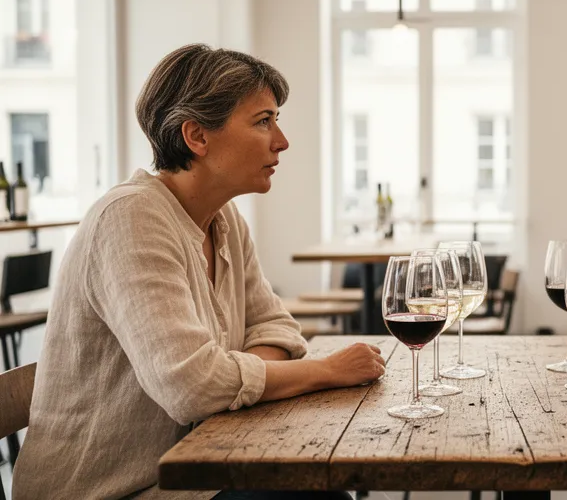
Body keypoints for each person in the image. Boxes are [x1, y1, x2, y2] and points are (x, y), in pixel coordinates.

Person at [13, 44, 386, 499]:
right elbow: (191, 388)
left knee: (314, 482)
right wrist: (326, 371)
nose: (281, 141)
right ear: (197, 137)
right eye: (263, 121)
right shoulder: (130, 218)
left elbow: (280, 332)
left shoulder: (225, 221)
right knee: (312, 490)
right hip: (119, 491)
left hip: (199, 465)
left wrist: (230, 375)